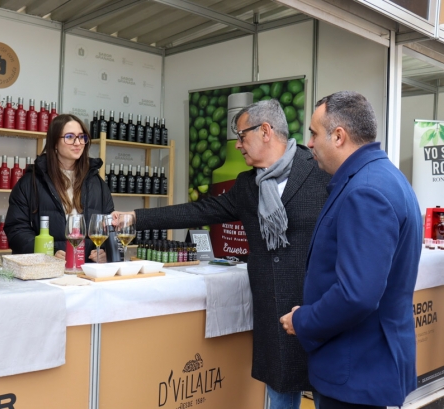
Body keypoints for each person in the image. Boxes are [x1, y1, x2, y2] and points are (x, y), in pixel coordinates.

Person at [114, 99, 330, 409]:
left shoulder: (319, 171)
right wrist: (134, 217)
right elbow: (199, 210)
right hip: (273, 309)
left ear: (266, 131)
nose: (238, 145)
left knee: (327, 394)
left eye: (242, 136)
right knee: (281, 397)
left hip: (316, 306)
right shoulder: (247, 185)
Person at [280, 91, 422, 409]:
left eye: (314, 134)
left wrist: (302, 320)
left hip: (356, 372)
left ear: (339, 136)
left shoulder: (366, 190)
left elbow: (357, 294)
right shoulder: (385, 179)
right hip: (366, 367)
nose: (310, 144)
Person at [4, 113, 114, 262]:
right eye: (70, 137)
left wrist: (106, 251)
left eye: (82, 137)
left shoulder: (97, 183)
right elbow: (16, 229)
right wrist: (48, 253)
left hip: (87, 269)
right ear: (55, 143)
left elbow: (110, 225)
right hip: (47, 270)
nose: (78, 143)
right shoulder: (31, 182)